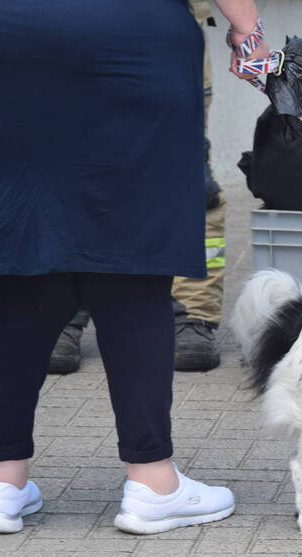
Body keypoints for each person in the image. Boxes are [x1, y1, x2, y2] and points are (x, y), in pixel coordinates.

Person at [0, 0, 271, 534]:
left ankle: (0, 483)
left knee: (13, 242)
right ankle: (152, 482)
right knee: (131, 244)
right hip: (124, 33)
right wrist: (248, 30)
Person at [49, 0, 228, 375]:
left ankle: (192, 314)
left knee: (188, 180)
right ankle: (61, 310)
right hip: (63, 29)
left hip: (166, 32)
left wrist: (248, 29)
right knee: (70, 172)